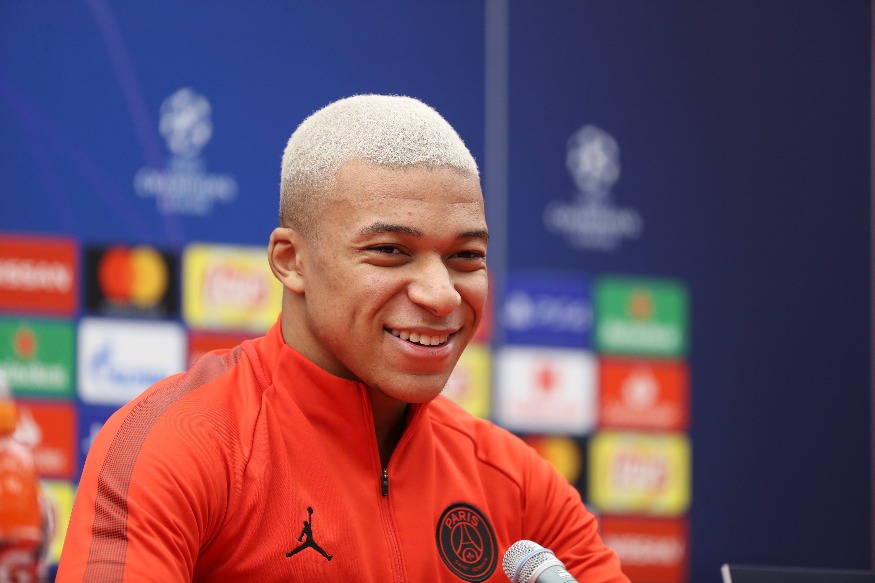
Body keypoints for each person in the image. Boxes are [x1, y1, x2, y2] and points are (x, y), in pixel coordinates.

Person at [56, 94, 629, 582]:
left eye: (466, 257)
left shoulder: (518, 485)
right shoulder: (180, 444)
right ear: (291, 260)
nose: (442, 294)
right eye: (390, 251)